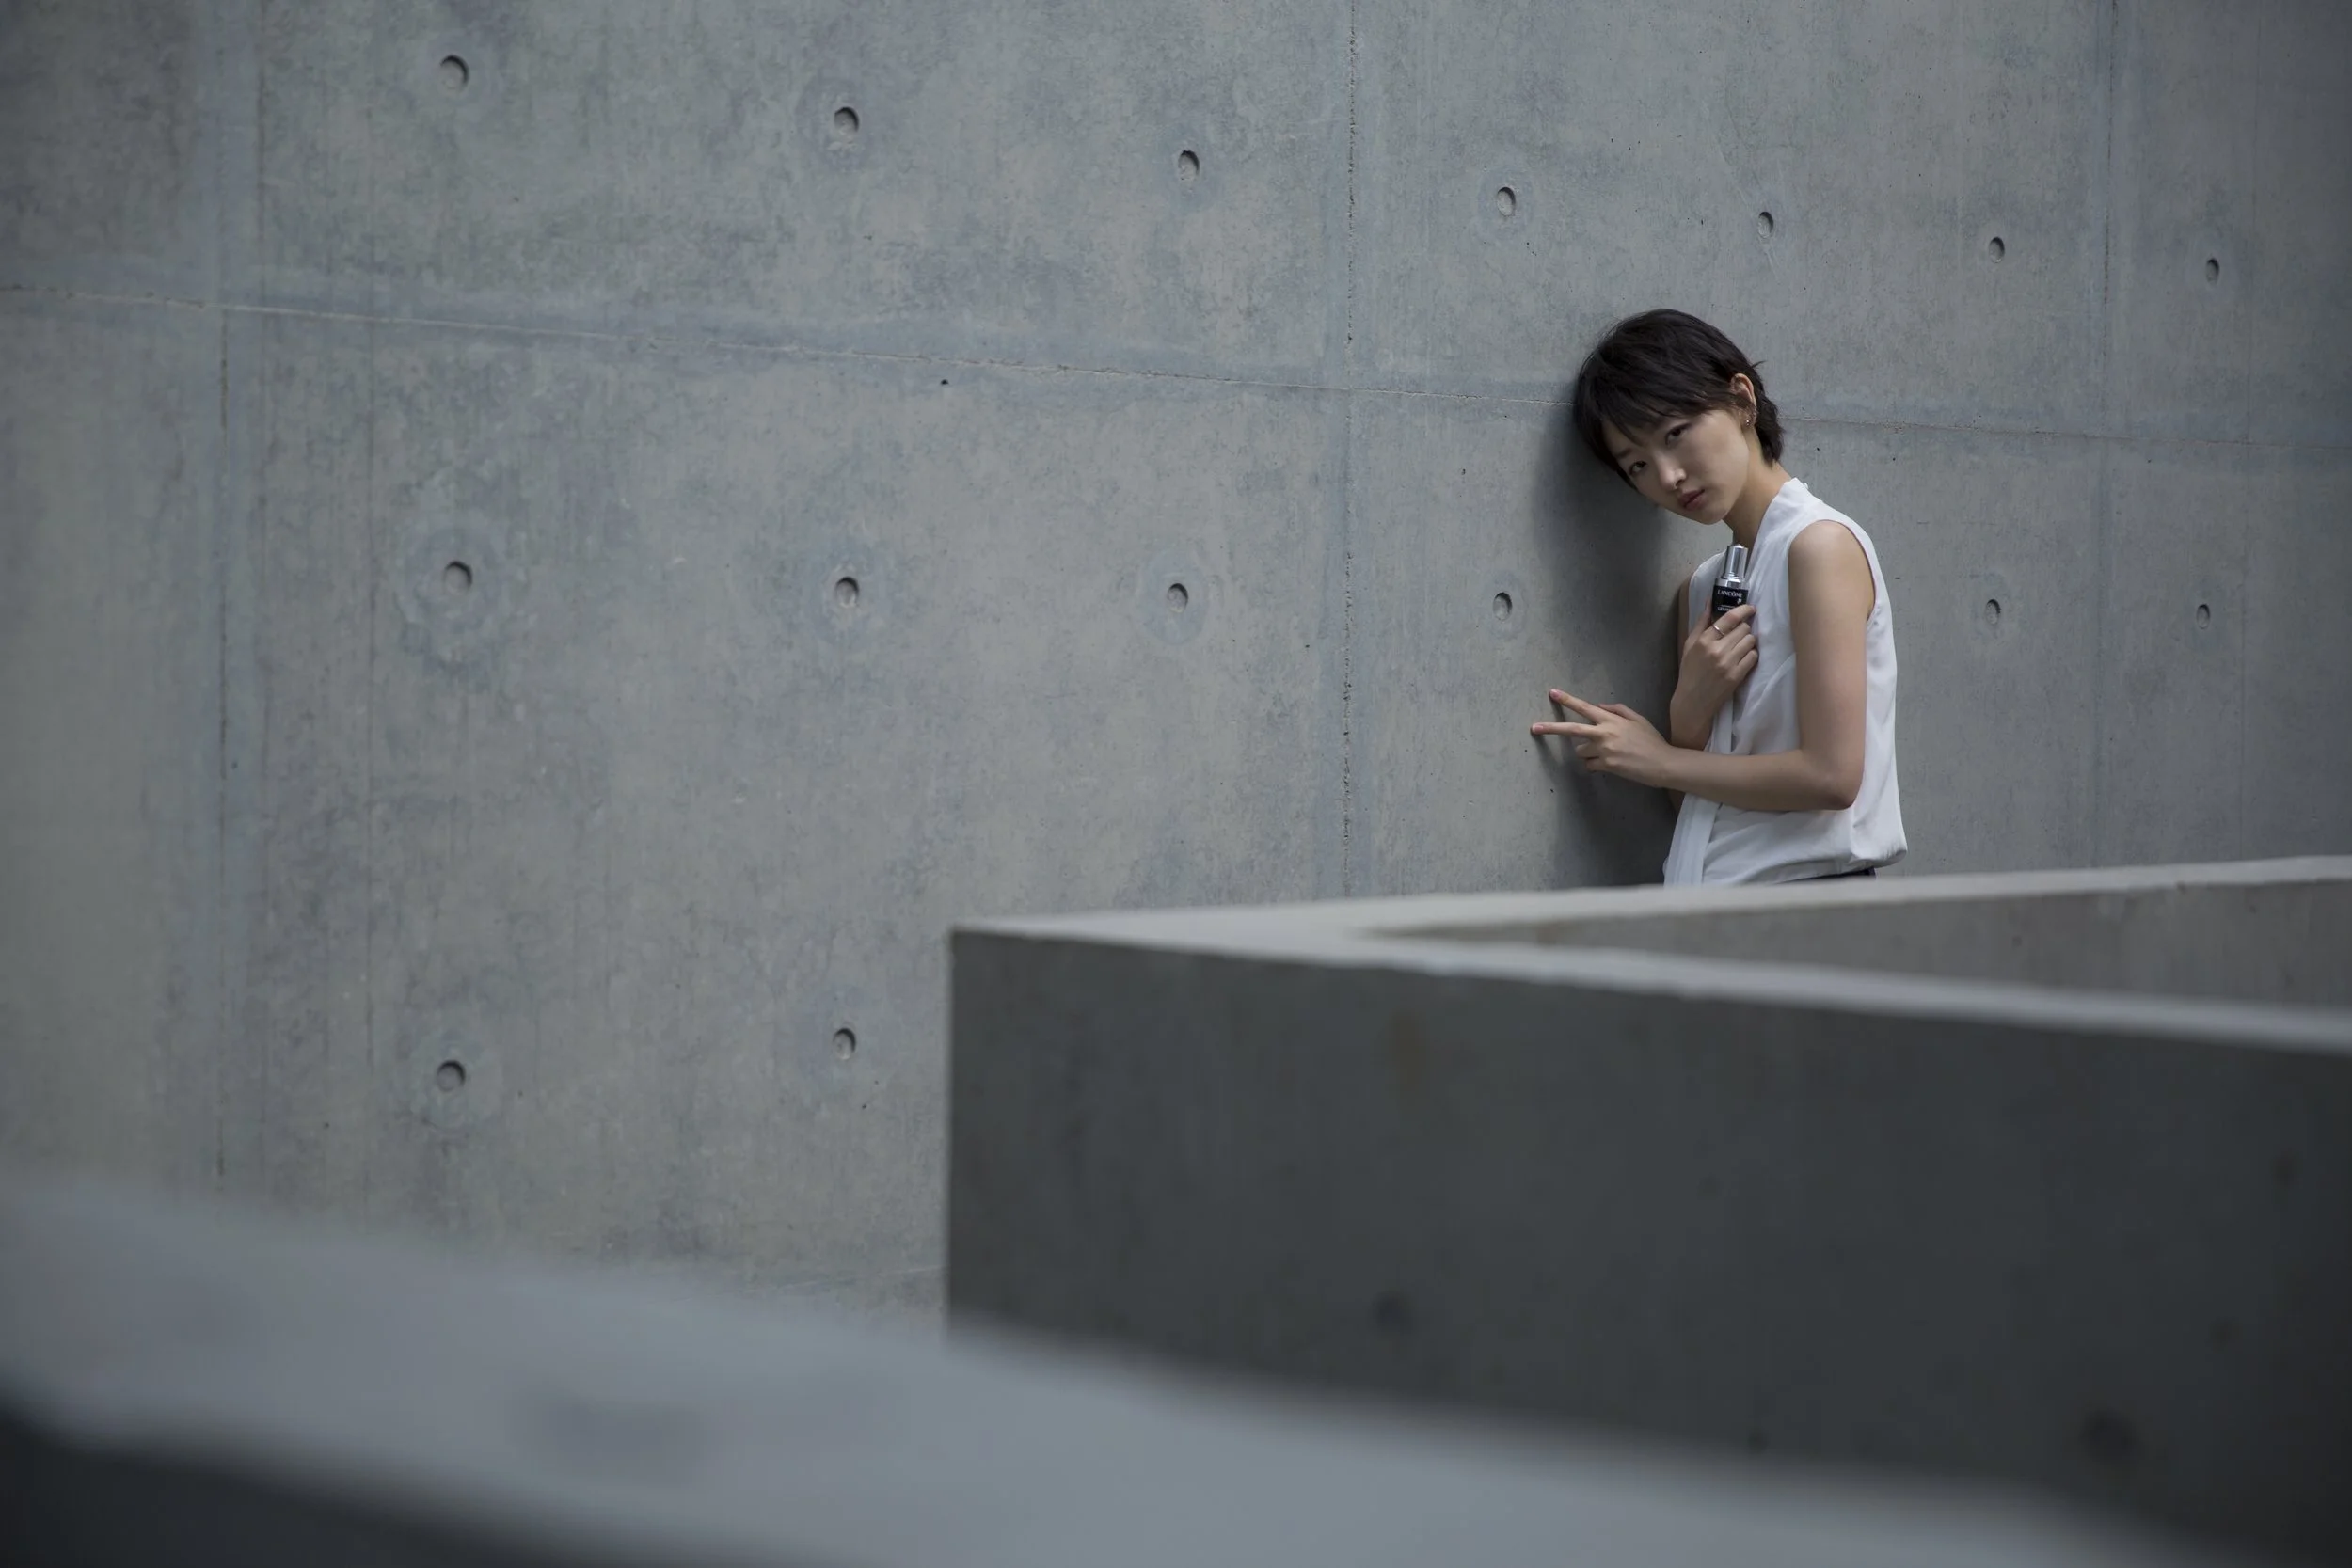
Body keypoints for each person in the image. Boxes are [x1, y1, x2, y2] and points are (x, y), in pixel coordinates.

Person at [1532, 309, 1905, 884]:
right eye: (1637, 466)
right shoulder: (1702, 589)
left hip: (1808, 904)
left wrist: (1659, 759)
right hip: (1710, 900)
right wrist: (1689, 711)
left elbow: (1833, 778)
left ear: (1740, 399)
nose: (1668, 476)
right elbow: (1696, 807)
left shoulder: (1818, 548)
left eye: (1674, 434)